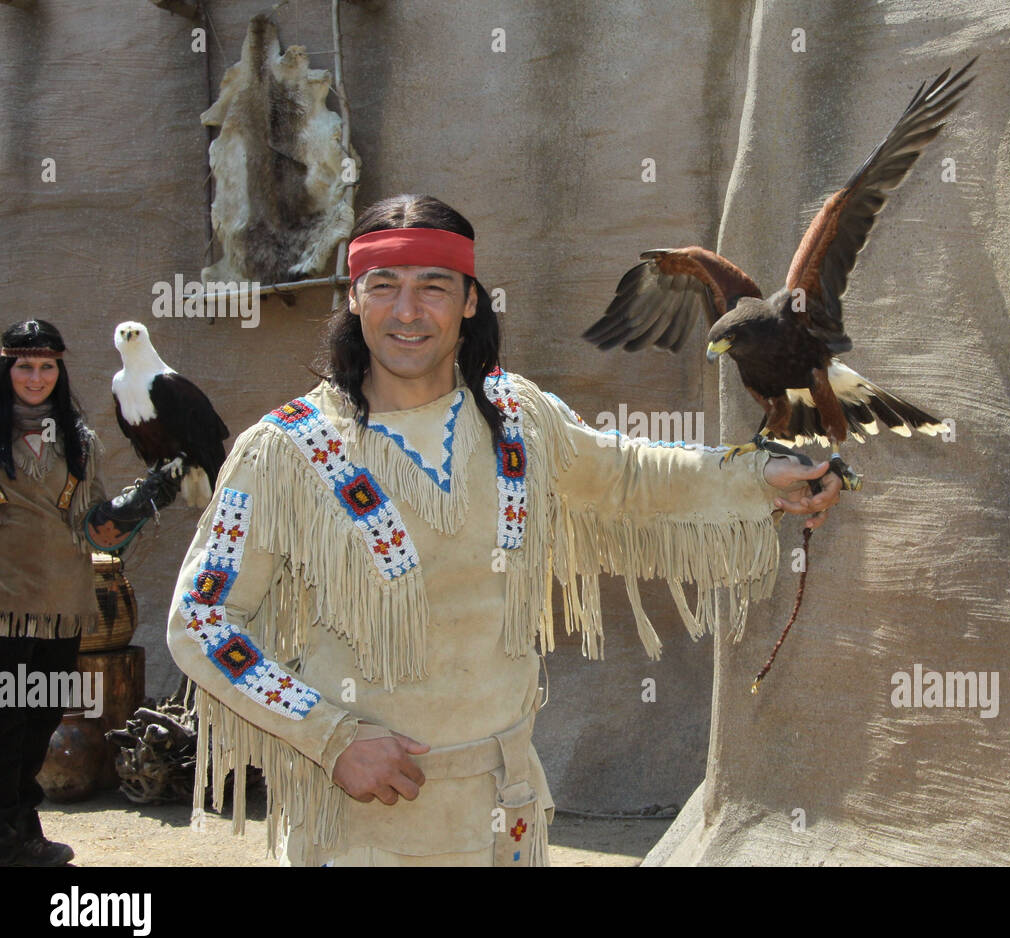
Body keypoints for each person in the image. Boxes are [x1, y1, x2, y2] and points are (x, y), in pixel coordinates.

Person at [165, 194, 842, 866]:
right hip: (357, 826)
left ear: (468, 301)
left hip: (504, 817)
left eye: (433, 286)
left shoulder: (518, 419)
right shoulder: (283, 451)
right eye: (384, 286)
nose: (407, 311)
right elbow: (200, 617)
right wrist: (331, 736)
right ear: (353, 298)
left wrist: (758, 476)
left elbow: (627, 475)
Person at [1, 319, 179, 866]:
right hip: (3, 606)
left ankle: (17, 828)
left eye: (46, 366)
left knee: (40, 718)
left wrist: (140, 502)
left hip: (60, 604)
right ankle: (12, 834)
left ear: (60, 370)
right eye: (24, 365)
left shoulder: (78, 439)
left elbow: (93, 522)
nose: (35, 377)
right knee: (4, 724)